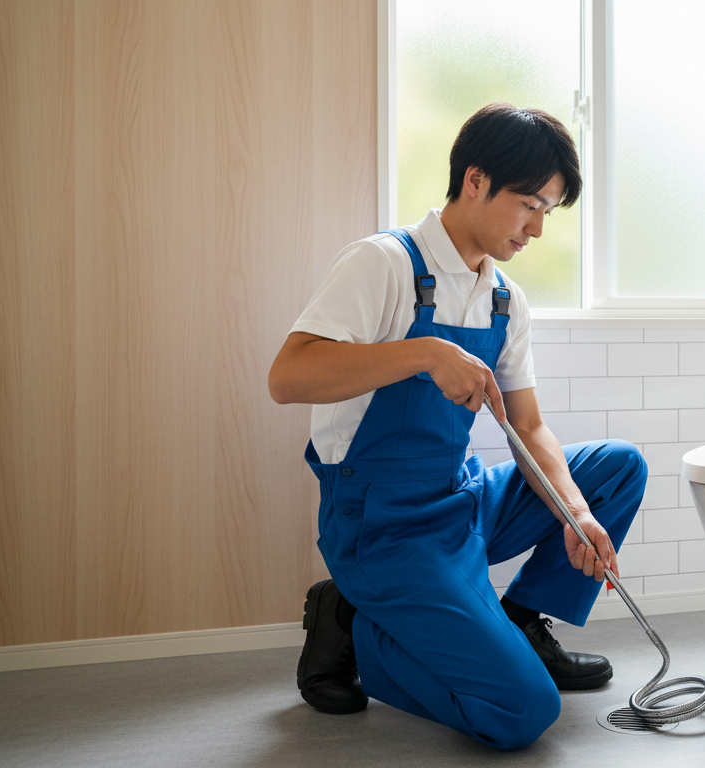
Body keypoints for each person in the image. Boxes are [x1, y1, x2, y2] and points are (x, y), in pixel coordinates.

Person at [267, 103, 647, 750]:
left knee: (617, 467)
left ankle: (521, 623)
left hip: (461, 500)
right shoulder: (383, 263)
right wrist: (424, 352)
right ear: (475, 180)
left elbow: (527, 425)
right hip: (382, 526)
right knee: (523, 711)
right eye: (529, 204)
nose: (536, 229)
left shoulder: (505, 298)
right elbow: (288, 377)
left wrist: (575, 514)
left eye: (547, 212)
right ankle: (351, 621)